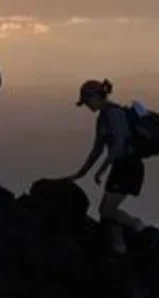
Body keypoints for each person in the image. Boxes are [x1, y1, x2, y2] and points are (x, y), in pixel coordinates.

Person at [63, 79, 152, 254]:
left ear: (96, 97)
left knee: (106, 210)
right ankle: (119, 247)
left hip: (129, 166)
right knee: (106, 212)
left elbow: (119, 144)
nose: (87, 106)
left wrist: (102, 169)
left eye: (87, 101)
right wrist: (81, 173)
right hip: (120, 167)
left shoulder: (114, 114)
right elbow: (97, 149)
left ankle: (138, 226)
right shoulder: (103, 117)